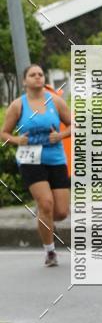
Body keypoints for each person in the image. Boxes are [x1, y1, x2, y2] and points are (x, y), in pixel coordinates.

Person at [1, 64, 71, 266]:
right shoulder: (18, 105)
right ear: (25, 81)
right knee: (46, 204)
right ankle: (50, 252)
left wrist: (61, 135)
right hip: (30, 159)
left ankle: (45, 218)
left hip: (56, 158)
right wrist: (16, 140)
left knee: (60, 212)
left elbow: (75, 124)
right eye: (33, 75)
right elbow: (3, 134)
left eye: (41, 74)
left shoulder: (55, 101)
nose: (38, 77)